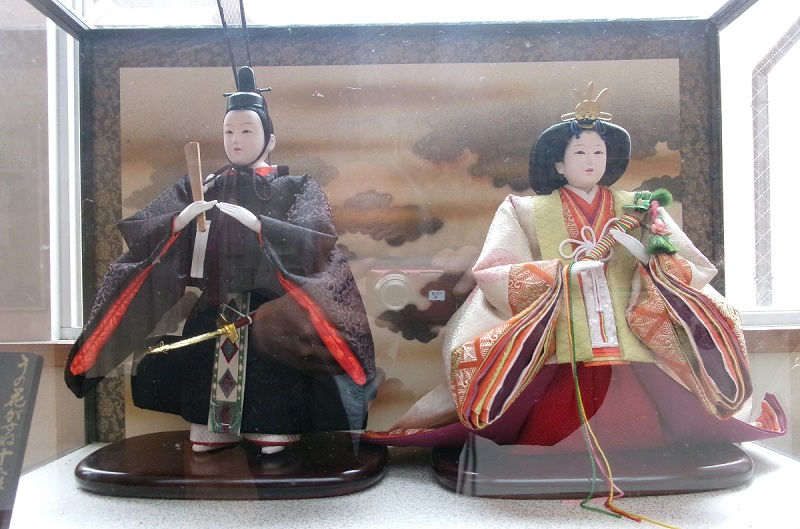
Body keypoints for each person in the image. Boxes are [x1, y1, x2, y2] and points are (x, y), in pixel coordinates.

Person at [365, 87, 784, 452]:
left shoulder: (639, 206)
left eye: (599, 152)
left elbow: (690, 265)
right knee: (549, 421)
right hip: (559, 327)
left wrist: (649, 261)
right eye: (580, 152)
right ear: (559, 164)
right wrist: (562, 274)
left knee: (644, 421)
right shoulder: (525, 210)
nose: (591, 160)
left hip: (627, 325)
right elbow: (494, 271)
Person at [65, 66, 375, 454]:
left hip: (268, 312)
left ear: (270, 139)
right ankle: (211, 425)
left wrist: (259, 224)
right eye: (229, 132)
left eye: (246, 131)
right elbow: (143, 230)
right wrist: (182, 220)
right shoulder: (203, 185)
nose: (236, 140)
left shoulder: (296, 186)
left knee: (269, 373)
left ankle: (271, 426)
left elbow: (317, 239)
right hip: (213, 303)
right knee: (203, 364)